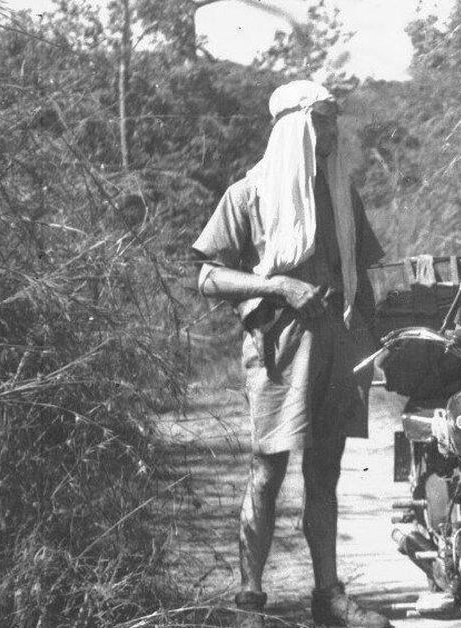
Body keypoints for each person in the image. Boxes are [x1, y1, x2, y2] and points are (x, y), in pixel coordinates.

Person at [192, 80, 391, 628]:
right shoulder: (248, 193)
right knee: (267, 469)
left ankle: (329, 596)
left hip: (337, 346)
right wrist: (278, 287)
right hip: (278, 348)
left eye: (334, 123)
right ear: (298, 127)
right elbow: (208, 277)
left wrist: (371, 339)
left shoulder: (340, 194)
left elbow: (362, 273)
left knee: (324, 473)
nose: (332, 134)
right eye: (324, 123)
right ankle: (249, 600)